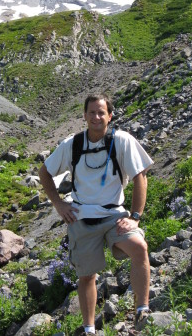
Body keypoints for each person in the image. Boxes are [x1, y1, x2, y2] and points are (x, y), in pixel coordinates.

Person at [39, 93, 153, 335]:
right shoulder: (72, 144)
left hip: (114, 216)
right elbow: (45, 172)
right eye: (92, 112)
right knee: (87, 276)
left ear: (110, 116)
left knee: (139, 247)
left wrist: (134, 217)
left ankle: (142, 310)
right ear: (84, 116)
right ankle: (89, 328)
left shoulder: (122, 141)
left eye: (101, 112)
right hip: (81, 217)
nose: (96, 117)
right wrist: (59, 204)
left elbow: (140, 178)